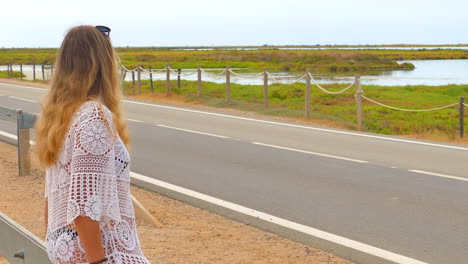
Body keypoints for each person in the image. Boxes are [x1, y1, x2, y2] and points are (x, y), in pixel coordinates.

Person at [35, 25, 151, 264]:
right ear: (103, 63)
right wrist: (98, 261)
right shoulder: (93, 116)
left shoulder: (58, 116)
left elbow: (52, 195)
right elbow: (82, 206)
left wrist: (55, 248)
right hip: (103, 252)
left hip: (64, 245)